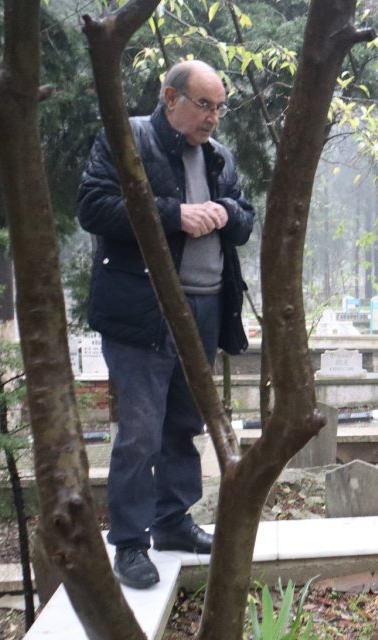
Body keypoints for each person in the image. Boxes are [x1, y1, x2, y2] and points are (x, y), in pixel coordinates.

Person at [77, 60, 254, 588]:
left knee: (184, 422)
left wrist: (225, 211)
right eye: (204, 105)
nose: (213, 117)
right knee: (140, 432)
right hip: (143, 309)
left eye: (220, 108)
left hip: (206, 308)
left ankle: (173, 522)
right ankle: (130, 543)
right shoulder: (129, 140)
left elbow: (245, 220)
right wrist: (174, 214)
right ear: (170, 98)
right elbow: (94, 207)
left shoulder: (220, 156)